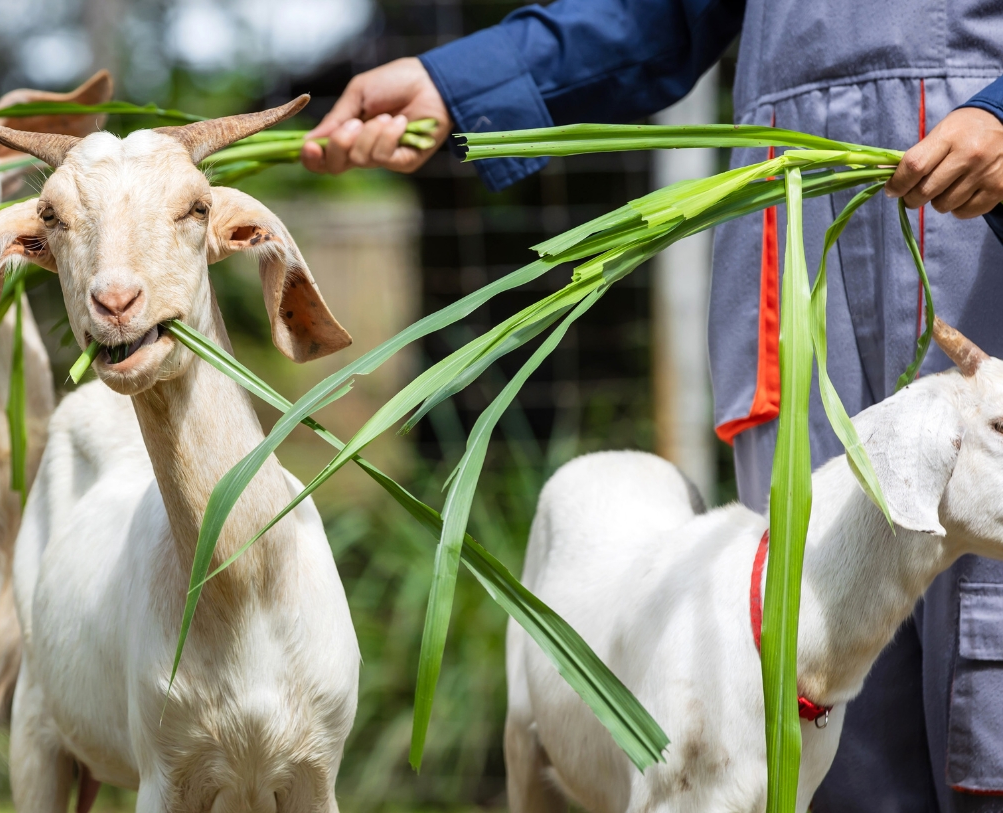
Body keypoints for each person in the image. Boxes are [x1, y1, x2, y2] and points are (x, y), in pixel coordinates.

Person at [300, 2, 1003, 811]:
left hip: (984, 250)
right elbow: (663, 12)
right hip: (797, 243)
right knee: (810, 715)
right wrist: (455, 84)